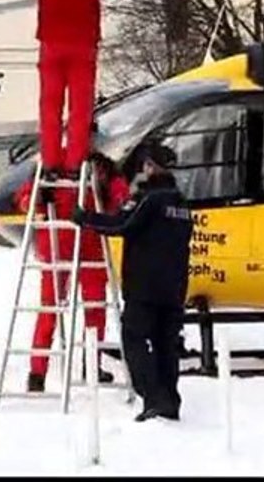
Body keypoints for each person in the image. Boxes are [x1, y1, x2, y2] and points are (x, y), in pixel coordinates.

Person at [73, 142, 193, 422]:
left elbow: (122, 225)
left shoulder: (150, 199)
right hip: (174, 288)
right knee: (166, 345)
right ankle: (169, 400)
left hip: (145, 287)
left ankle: (152, 397)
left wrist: (85, 218)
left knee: (134, 340)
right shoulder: (180, 201)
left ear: (151, 167)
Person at [10, 0, 113, 181]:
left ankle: (52, 161)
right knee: (80, 109)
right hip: (83, 46)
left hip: (52, 45)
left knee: (50, 107)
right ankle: (73, 163)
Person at [18, 153, 130, 393]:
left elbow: (119, 194)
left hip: (71, 244)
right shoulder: (83, 165)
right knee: (72, 309)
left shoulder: (54, 165)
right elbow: (26, 198)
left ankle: (47, 370)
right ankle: (48, 370)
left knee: (75, 309)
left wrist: (33, 198)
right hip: (69, 243)